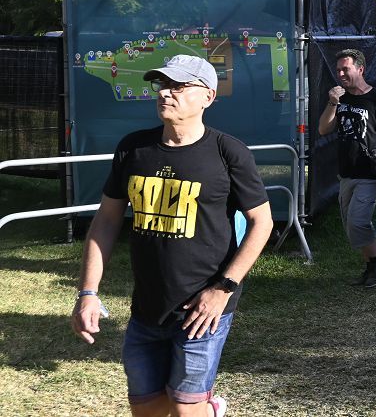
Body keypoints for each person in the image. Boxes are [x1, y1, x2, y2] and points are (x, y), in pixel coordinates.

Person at [71, 54, 273, 417]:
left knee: (183, 411)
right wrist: (87, 293)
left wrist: (222, 290)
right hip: (146, 309)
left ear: (208, 97)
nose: (166, 93)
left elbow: (263, 223)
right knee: (148, 412)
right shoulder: (134, 149)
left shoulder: (228, 152)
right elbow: (106, 222)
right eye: (162, 85)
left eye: (179, 86)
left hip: (203, 311)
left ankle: (207, 410)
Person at [318, 49, 376, 288]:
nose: (341, 74)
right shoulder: (340, 98)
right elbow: (324, 129)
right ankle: (371, 264)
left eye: (346, 69)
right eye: (338, 70)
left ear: (361, 69)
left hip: (371, 172)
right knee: (350, 224)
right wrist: (333, 103)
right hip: (346, 172)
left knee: (358, 222)